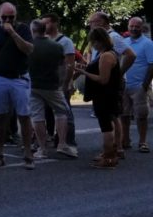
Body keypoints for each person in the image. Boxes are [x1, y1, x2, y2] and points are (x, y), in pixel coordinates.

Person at [0, 2, 35, 170]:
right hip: (0, 78)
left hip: (19, 78)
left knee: (24, 116)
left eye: (10, 17)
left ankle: (28, 154)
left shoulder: (23, 29)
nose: (7, 20)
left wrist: (12, 33)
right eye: (4, 17)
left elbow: (28, 49)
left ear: (15, 16)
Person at [78, 28, 124, 168]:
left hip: (104, 96)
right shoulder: (107, 54)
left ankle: (109, 157)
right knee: (109, 124)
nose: (92, 45)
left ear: (99, 41)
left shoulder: (106, 56)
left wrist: (84, 73)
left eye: (93, 41)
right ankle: (110, 153)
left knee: (106, 127)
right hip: (107, 95)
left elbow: (103, 79)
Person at [27, 19, 72, 162]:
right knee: (61, 111)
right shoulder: (57, 46)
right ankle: (62, 143)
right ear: (44, 30)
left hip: (33, 85)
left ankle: (42, 148)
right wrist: (62, 83)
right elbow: (63, 67)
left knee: (37, 116)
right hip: (52, 85)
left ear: (33, 31)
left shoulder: (29, 46)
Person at [40, 13, 79, 155]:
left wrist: (67, 83)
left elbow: (70, 65)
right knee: (46, 113)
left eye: (47, 23)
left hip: (60, 84)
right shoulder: (42, 40)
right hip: (45, 84)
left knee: (65, 113)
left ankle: (69, 142)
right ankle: (51, 138)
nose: (44, 26)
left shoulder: (65, 41)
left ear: (55, 23)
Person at [121, 17, 153, 153]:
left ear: (142, 27)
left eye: (137, 26)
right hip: (123, 85)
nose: (134, 28)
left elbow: (152, 65)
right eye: (131, 26)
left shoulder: (148, 44)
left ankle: (143, 142)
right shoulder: (124, 42)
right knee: (123, 115)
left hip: (139, 85)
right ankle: (126, 140)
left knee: (141, 115)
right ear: (128, 26)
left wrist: (145, 85)